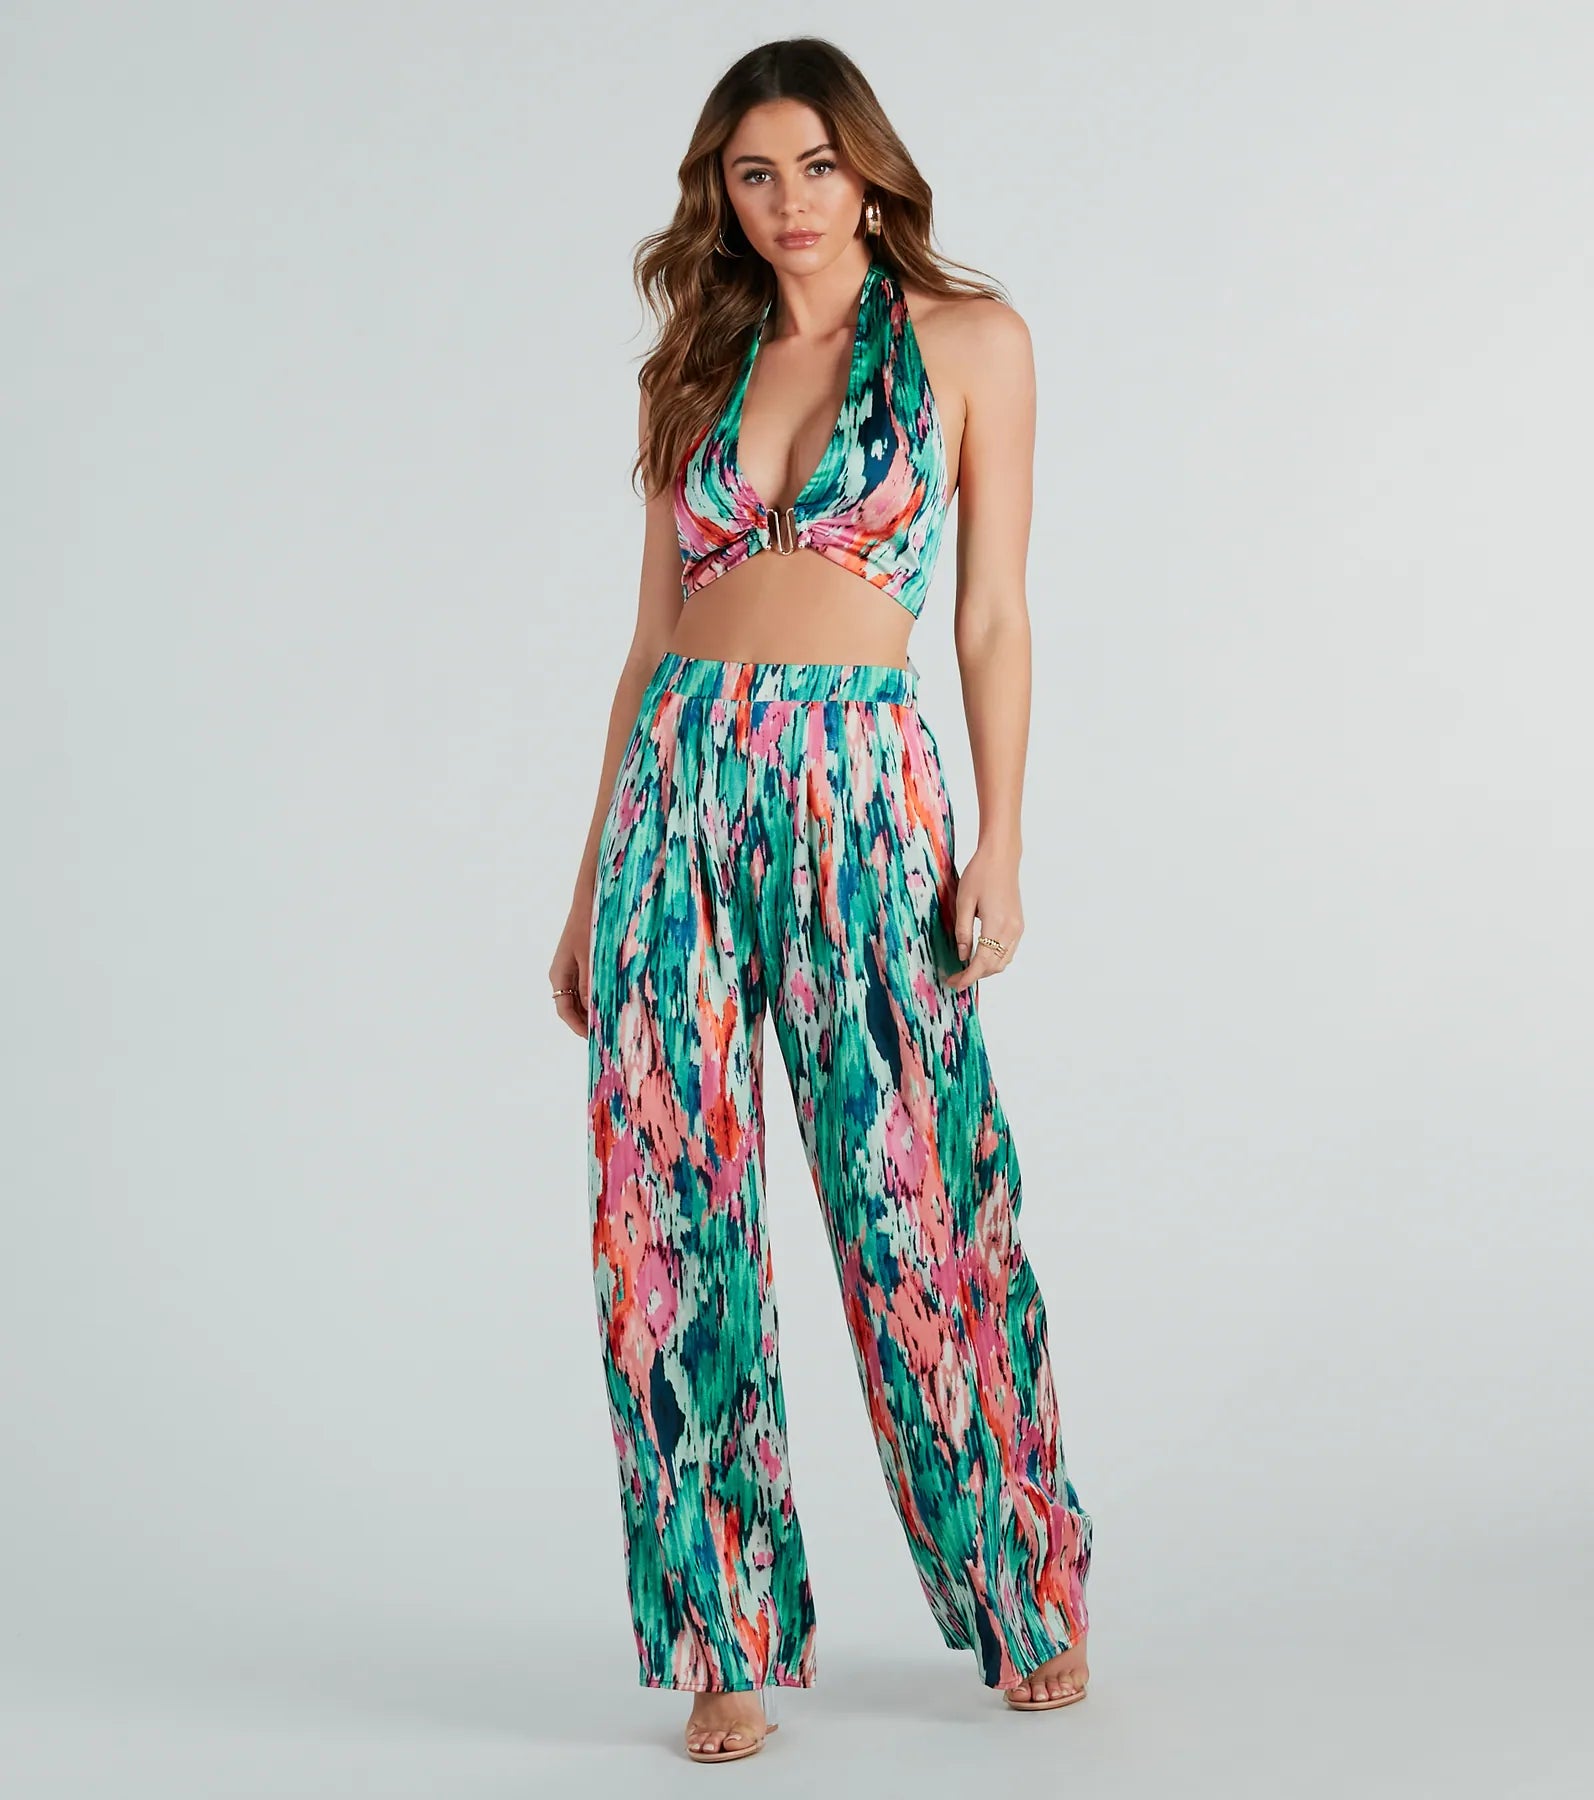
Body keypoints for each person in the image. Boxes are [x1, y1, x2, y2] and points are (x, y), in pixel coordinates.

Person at [549, 36, 1095, 1765]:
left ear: (869, 171)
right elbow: (648, 642)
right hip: (678, 794)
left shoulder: (969, 343)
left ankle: (1023, 1588)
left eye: (812, 165)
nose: (786, 202)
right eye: (751, 173)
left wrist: (999, 841)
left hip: (861, 785)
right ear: (719, 194)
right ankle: (719, 1639)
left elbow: (990, 616)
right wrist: (588, 884)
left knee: (917, 1194)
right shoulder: (693, 369)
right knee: (667, 1221)